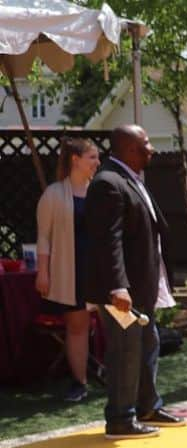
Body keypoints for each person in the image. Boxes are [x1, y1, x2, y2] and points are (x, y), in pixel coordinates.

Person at [86, 125, 187, 439]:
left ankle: (146, 406)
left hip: (141, 286)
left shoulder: (129, 178)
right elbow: (108, 240)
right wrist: (118, 286)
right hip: (122, 291)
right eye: (145, 144)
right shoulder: (108, 183)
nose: (151, 149)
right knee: (125, 352)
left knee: (147, 346)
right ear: (129, 148)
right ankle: (120, 418)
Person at [34, 137, 100, 402]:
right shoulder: (52, 194)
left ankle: (120, 381)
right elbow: (44, 237)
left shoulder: (101, 191)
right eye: (92, 157)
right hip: (70, 271)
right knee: (77, 327)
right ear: (76, 160)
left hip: (101, 271)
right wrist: (43, 271)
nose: (97, 162)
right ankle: (80, 382)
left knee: (116, 324)